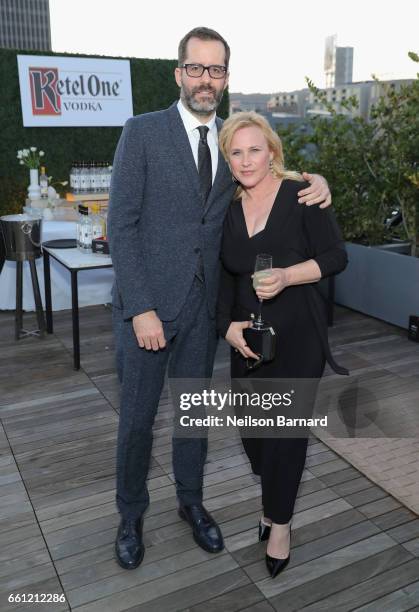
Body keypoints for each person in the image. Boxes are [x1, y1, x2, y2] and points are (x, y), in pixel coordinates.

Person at [107, 27, 332, 570]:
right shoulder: (141, 132)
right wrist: (141, 308)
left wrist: (315, 178)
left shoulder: (231, 142)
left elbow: (266, 173)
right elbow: (123, 224)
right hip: (148, 311)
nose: (206, 79)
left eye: (216, 70)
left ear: (226, 77)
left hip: (205, 312)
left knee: (192, 419)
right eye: (196, 68)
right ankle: (130, 514)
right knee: (137, 421)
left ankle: (192, 503)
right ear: (178, 73)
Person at [216, 111, 348, 578]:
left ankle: (280, 524)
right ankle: (272, 501)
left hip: (299, 335)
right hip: (246, 338)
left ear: (272, 152)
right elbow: (224, 277)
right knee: (254, 435)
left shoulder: (301, 196)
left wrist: (290, 276)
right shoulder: (226, 208)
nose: (247, 159)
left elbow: (336, 257)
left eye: (255, 149)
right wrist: (225, 326)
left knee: (285, 435)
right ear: (227, 160)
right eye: (236, 151)